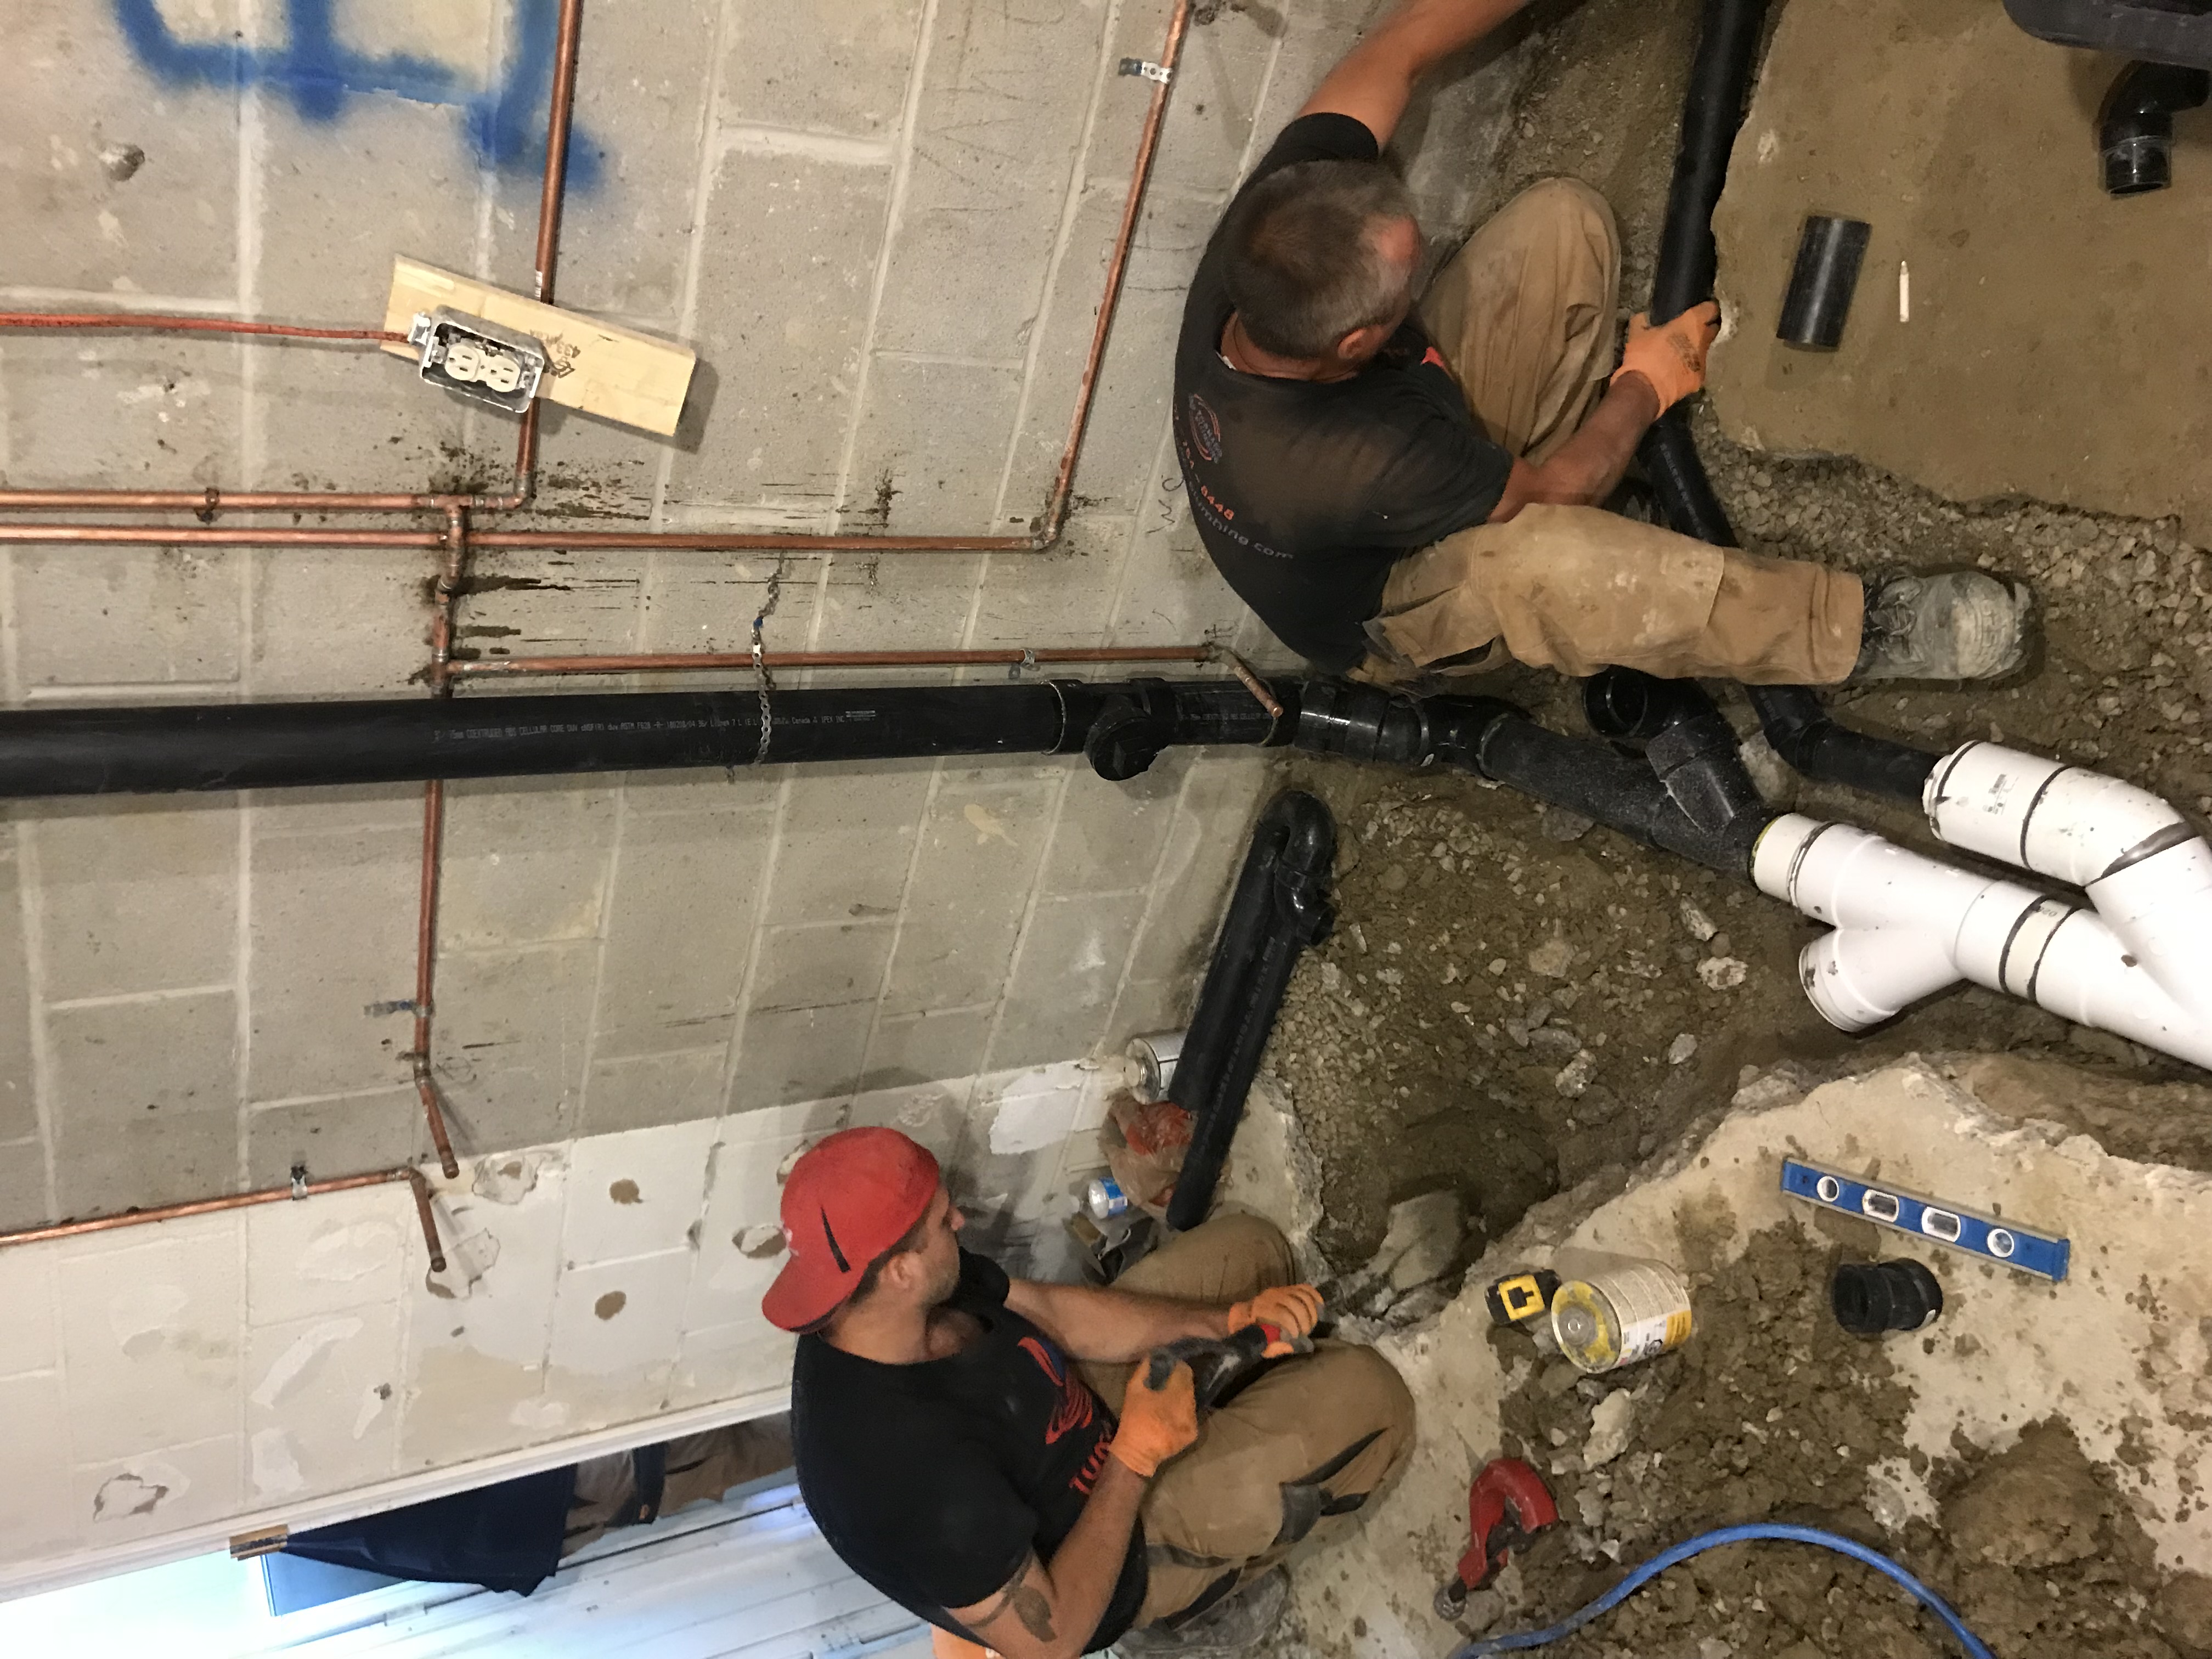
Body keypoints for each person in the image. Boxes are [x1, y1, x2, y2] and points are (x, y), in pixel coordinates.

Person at [1173, 0, 2032, 689]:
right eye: (1407, 287)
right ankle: (1850, 629)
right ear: (1357, 342)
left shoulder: (1271, 242)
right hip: (1395, 612)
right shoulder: (1357, 461)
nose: (1425, 262)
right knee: (1553, 558)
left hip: (1396, 463)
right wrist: (1646, 388)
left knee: (1560, 227)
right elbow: (1557, 486)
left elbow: (1402, 44)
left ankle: (1553, 456)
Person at [771, 1127, 1414, 1659]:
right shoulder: (908, 1484)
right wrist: (1135, 1456)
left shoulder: (882, 1291)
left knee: (1257, 1252)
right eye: (946, 1220)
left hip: (1064, 1406)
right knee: (1375, 1399)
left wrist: (1226, 1324)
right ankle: (1192, 1604)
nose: (961, 1220)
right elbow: (1049, 1642)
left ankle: (1248, 1391)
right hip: (1102, 1551)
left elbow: (1051, 1311)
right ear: (902, 1272)